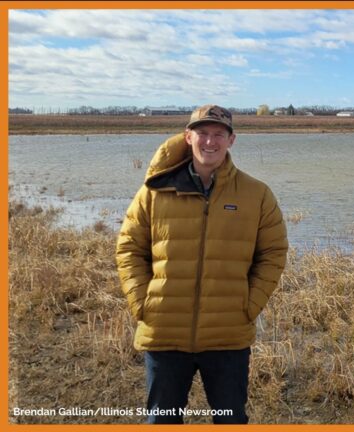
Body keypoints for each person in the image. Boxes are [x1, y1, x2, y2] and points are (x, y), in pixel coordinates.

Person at [115, 104, 288, 424]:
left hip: (228, 336)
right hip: (164, 332)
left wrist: (249, 305)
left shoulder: (257, 194)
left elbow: (274, 252)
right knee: (162, 421)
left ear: (231, 140)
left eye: (218, 134)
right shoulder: (155, 191)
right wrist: (143, 303)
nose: (210, 142)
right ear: (187, 137)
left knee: (230, 419)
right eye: (203, 133)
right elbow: (129, 248)